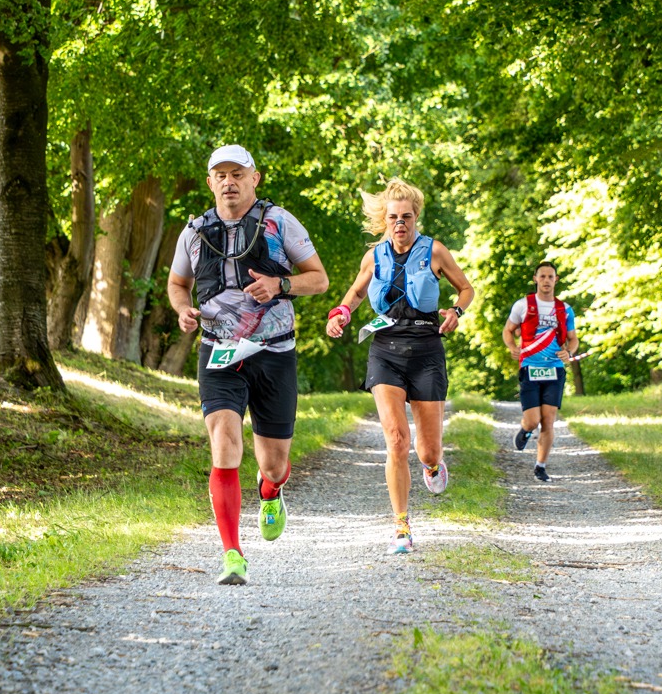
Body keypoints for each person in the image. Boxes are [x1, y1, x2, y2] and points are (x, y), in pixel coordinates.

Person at [167, 145, 330, 584]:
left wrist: (280, 285)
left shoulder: (279, 222)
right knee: (223, 443)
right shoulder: (194, 231)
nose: (229, 182)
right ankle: (232, 554)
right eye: (220, 175)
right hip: (219, 352)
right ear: (210, 182)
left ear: (254, 178)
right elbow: (178, 283)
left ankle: (270, 490)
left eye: (237, 174)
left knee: (274, 464)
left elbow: (319, 279)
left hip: (273, 351)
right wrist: (182, 309)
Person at [325, 178, 474, 554]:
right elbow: (357, 292)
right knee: (396, 440)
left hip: (426, 351)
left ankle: (432, 467)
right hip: (385, 351)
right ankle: (401, 527)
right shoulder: (374, 257)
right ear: (385, 220)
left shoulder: (435, 251)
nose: (400, 223)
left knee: (428, 451)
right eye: (393, 217)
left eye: (406, 216)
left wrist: (455, 312)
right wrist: (341, 313)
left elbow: (466, 289)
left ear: (416, 217)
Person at [502, 261, 579, 482]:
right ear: (535, 279)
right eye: (542, 276)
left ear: (556, 280)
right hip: (530, 368)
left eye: (550, 277)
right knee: (532, 420)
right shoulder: (522, 305)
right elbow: (508, 330)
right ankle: (525, 430)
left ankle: (540, 466)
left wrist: (569, 353)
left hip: (554, 369)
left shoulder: (565, 309)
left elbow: (573, 339)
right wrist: (512, 347)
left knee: (548, 420)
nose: (546, 280)